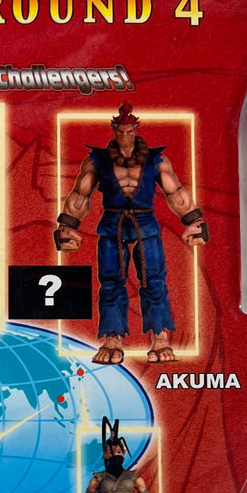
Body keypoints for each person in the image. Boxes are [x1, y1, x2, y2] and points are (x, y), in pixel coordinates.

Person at [54, 102, 208, 365]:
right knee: (110, 283)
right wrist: (67, 227)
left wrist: (195, 221)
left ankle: (160, 338)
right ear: (113, 130)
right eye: (120, 131)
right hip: (111, 224)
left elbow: (175, 192)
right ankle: (112, 338)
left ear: (136, 130)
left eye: (129, 131)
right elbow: (80, 194)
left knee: (155, 282)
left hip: (146, 225)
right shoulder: (97, 160)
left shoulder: (156, 160)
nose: (125, 136)